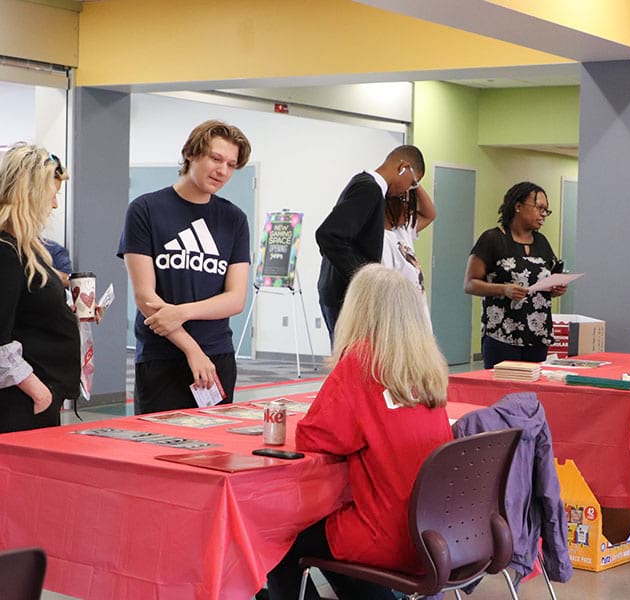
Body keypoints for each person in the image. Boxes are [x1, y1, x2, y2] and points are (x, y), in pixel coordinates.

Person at [265, 264, 452, 600]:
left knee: (279, 535)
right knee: (333, 529)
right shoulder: (428, 368)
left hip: (386, 537)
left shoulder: (363, 362)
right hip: (436, 532)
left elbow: (315, 438)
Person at [118, 120, 252, 415]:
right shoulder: (145, 210)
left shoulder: (234, 219)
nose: (222, 171)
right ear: (191, 154)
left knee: (214, 452)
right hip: (161, 356)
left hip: (217, 355)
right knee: (155, 450)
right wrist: (192, 349)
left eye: (231, 165)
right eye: (216, 159)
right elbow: (145, 298)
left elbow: (235, 299)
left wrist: (183, 311)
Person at [0, 144, 79, 433]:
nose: (55, 205)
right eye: (52, 194)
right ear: (29, 194)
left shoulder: (27, 249)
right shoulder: (5, 252)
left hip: (37, 395)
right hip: (20, 401)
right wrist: (38, 391)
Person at [316, 145, 425, 342]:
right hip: (347, 295)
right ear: (403, 167)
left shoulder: (369, 187)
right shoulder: (369, 188)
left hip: (342, 292)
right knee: (353, 363)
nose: (407, 191)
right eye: (412, 183)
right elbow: (328, 235)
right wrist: (367, 276)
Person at [464, 181, 567, 369]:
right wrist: (504, 289)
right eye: (539, 208)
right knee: (503, 393)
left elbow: (542, 282)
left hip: (537, 335)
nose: (544, 214)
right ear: (518, 206)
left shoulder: (542, 242)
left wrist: (555, 289)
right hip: (502, 336)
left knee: (533, 394)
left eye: (546, 210)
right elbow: (470, 284)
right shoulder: (492, 239)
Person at [381, 184, 435, 319]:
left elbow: (430, 214)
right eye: (405, 203)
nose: (410, 211)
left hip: (419, 318)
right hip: (402, 321)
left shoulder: (403, 230)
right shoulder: (382, 240)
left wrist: (413, 182)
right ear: (389, 204)